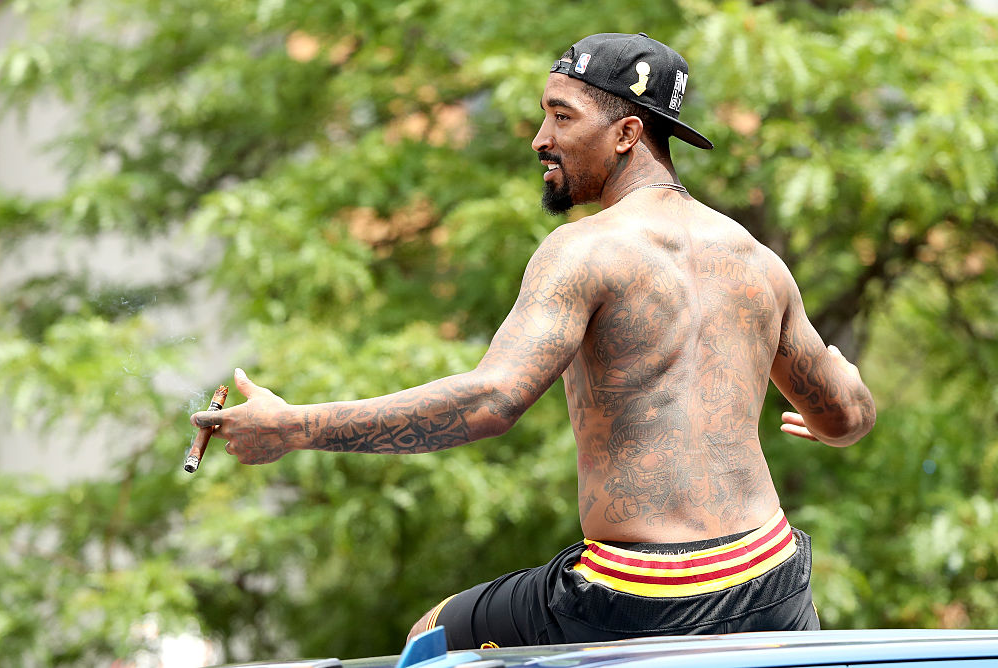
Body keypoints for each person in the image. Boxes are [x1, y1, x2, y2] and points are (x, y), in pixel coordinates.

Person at [191, 33, 876, 649]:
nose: (539, 138)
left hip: (638, 595)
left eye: (562, 115)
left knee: (434, 635)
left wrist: (294, 428)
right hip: (771, 581)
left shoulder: (584, 250)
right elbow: (847, 417)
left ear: (627, 134)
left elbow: (492, 402)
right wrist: (834, 389)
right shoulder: (756, 260)